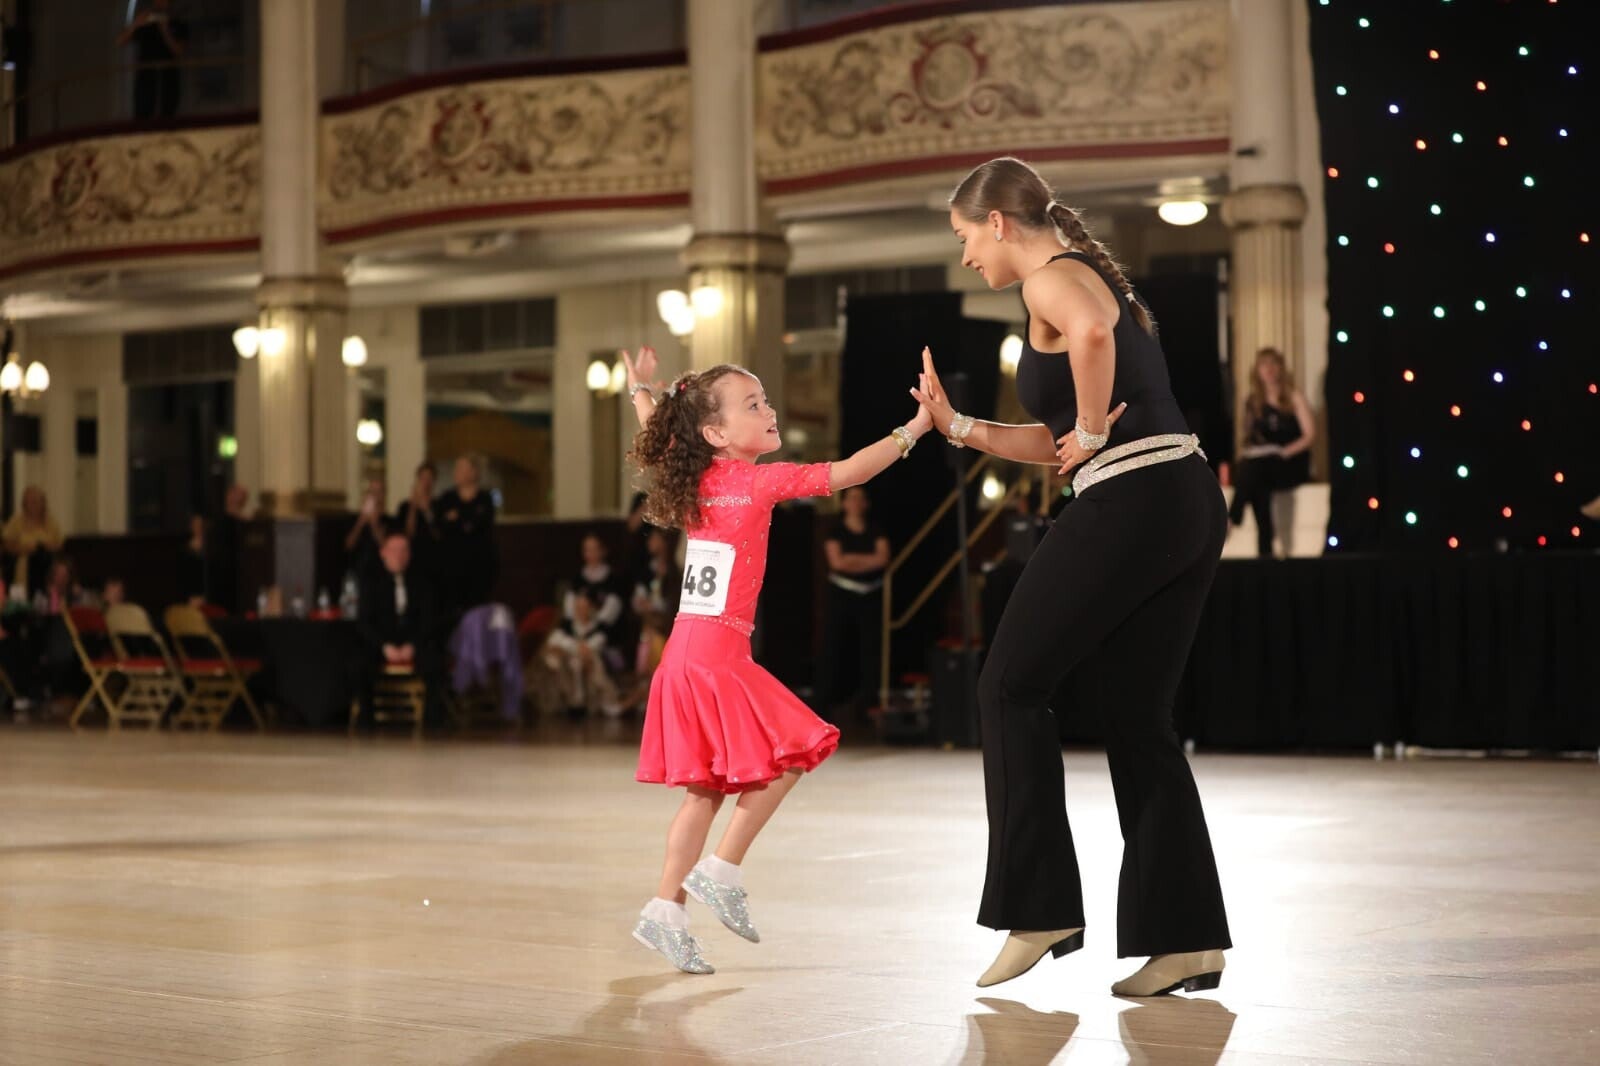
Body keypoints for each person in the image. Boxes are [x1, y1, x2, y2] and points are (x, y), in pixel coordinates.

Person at [908, 156, 1230, 997]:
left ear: (998, 223)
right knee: (1137, 714)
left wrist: (1088, 429)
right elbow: (1055, 441)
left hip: (1133, 500)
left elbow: (1088, 347)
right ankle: (1187, 937)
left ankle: (1038, 908)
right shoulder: (1082, 275)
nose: (966, 254)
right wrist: (959, 426)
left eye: (966, 236)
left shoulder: (1051, 279)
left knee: (1007, 687)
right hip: (1184, 496)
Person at [620, 344, 932, 974]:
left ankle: (664, 911)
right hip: (716, 657)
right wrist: (918, 427)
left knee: (705, 791)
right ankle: (722, 869)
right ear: (717, 433)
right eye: (753, 405)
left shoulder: (697, 476)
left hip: (684, 655)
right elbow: (850, 472)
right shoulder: (759, 482)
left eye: (765, 401)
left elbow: (661, 432)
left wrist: (640, 392)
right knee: (798, 747)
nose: (769, 411)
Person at [352, 531, 444, 732]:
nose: (399, 556)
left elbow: (428, 621)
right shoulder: (371, 582)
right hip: (382, 642)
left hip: (412, 641)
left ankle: (432, 720)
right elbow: (364, 623)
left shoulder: (421, 582)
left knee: (434, 660)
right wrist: (385, 647)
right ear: (383, 553)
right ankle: (366, 719)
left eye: (404, 551)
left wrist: (412, 645)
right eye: (394, 550)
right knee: (359, 662)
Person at [1227, 348, 1314, 557]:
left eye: (1273, 364)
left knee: (1253, 471)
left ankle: (1232, 519)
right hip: (1264, 465)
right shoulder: (1253, 401)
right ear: (1257, 371)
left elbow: (1310, 434)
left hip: (1290, 461)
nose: (1269, 369)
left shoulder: (1293, 397)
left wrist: (1285, 451)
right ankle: (1265, 550)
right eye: (1264, 365)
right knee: (1256, 477)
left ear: (1281, 368)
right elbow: (1249, 438)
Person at [811, 485, 889, 722]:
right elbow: (837, 562)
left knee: (870, 649)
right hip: (841, 595)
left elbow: (882, 558)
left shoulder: (875, 530)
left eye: (860, 498)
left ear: (866, 504)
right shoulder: (835, 531)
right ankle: (822, 705)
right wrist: (865, 561)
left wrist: (851, 560)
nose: (855, 503)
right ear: (844, 504)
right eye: (851, 498)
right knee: (833, 646)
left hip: (870, 594)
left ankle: (867, 705)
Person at [437, 454, 498, 614]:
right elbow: (442, 525)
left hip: (479, 566)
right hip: (452, 566)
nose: (456, 472)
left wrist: (457, 519)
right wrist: (464, 520)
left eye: (462, 468)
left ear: (474, 472)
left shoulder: (485, 498)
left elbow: (478, 524)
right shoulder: (447, 498)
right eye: (456, 468)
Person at [116, 0, 187, 119]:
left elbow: (179, 51)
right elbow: (120, 41)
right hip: (146, 78)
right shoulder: (145, 23)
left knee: (168, 114)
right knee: (143, 114)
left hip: (168, 78)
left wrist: (165, 30)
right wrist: (136, 24)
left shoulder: (177, 22)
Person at [2, 485, 63, 597]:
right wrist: (24, 548)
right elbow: (6, 545)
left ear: (43, 503)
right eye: (29, 502)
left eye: (36, 501)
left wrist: (45, 546)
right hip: (23, 569)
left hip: (46, 569)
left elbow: (58, 545)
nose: (33, 505)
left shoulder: (51, 522)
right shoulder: (16, 522)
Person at [395, 462, 442, 593]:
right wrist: (413, 507)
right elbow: (407, 534)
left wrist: (426, 511)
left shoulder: (439, 505)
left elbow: (439, 534)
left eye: (429, 478)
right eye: (422, 478)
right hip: (411, 560)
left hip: (433, 561)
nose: (425, 482)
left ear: (434, 481)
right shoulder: (405, 507)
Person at [344, 477, 390, 580]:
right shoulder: (355, 520)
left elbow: (387, 549)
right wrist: (361, 521)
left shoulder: (389, 521)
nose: (375, 496)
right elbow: (348, 546)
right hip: (357, 572)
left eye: (379, 492)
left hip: (381, 574)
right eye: (372, 492)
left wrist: (374, 524)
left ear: (384, 495)